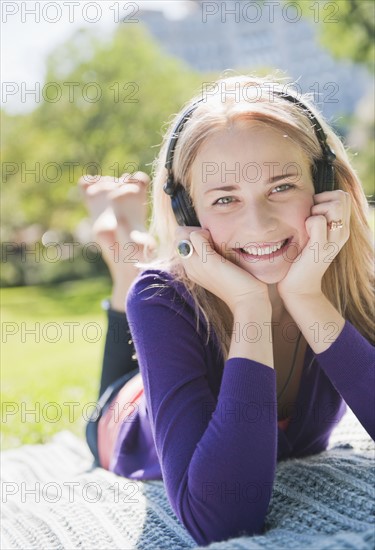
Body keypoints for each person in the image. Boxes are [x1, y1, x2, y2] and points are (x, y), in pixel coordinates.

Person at [83, 75, 375, 546]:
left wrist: (306, 298)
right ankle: (123, 255)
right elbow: (218, 521)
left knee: (137, 281)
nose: (258, 225)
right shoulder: (162, 298)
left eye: (281, 187)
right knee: (132, 313)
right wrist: (249, 309)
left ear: (325, 186)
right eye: (224, 199)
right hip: (124, 418)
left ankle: (126, 245)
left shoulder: (354, 284)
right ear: (188, 212)